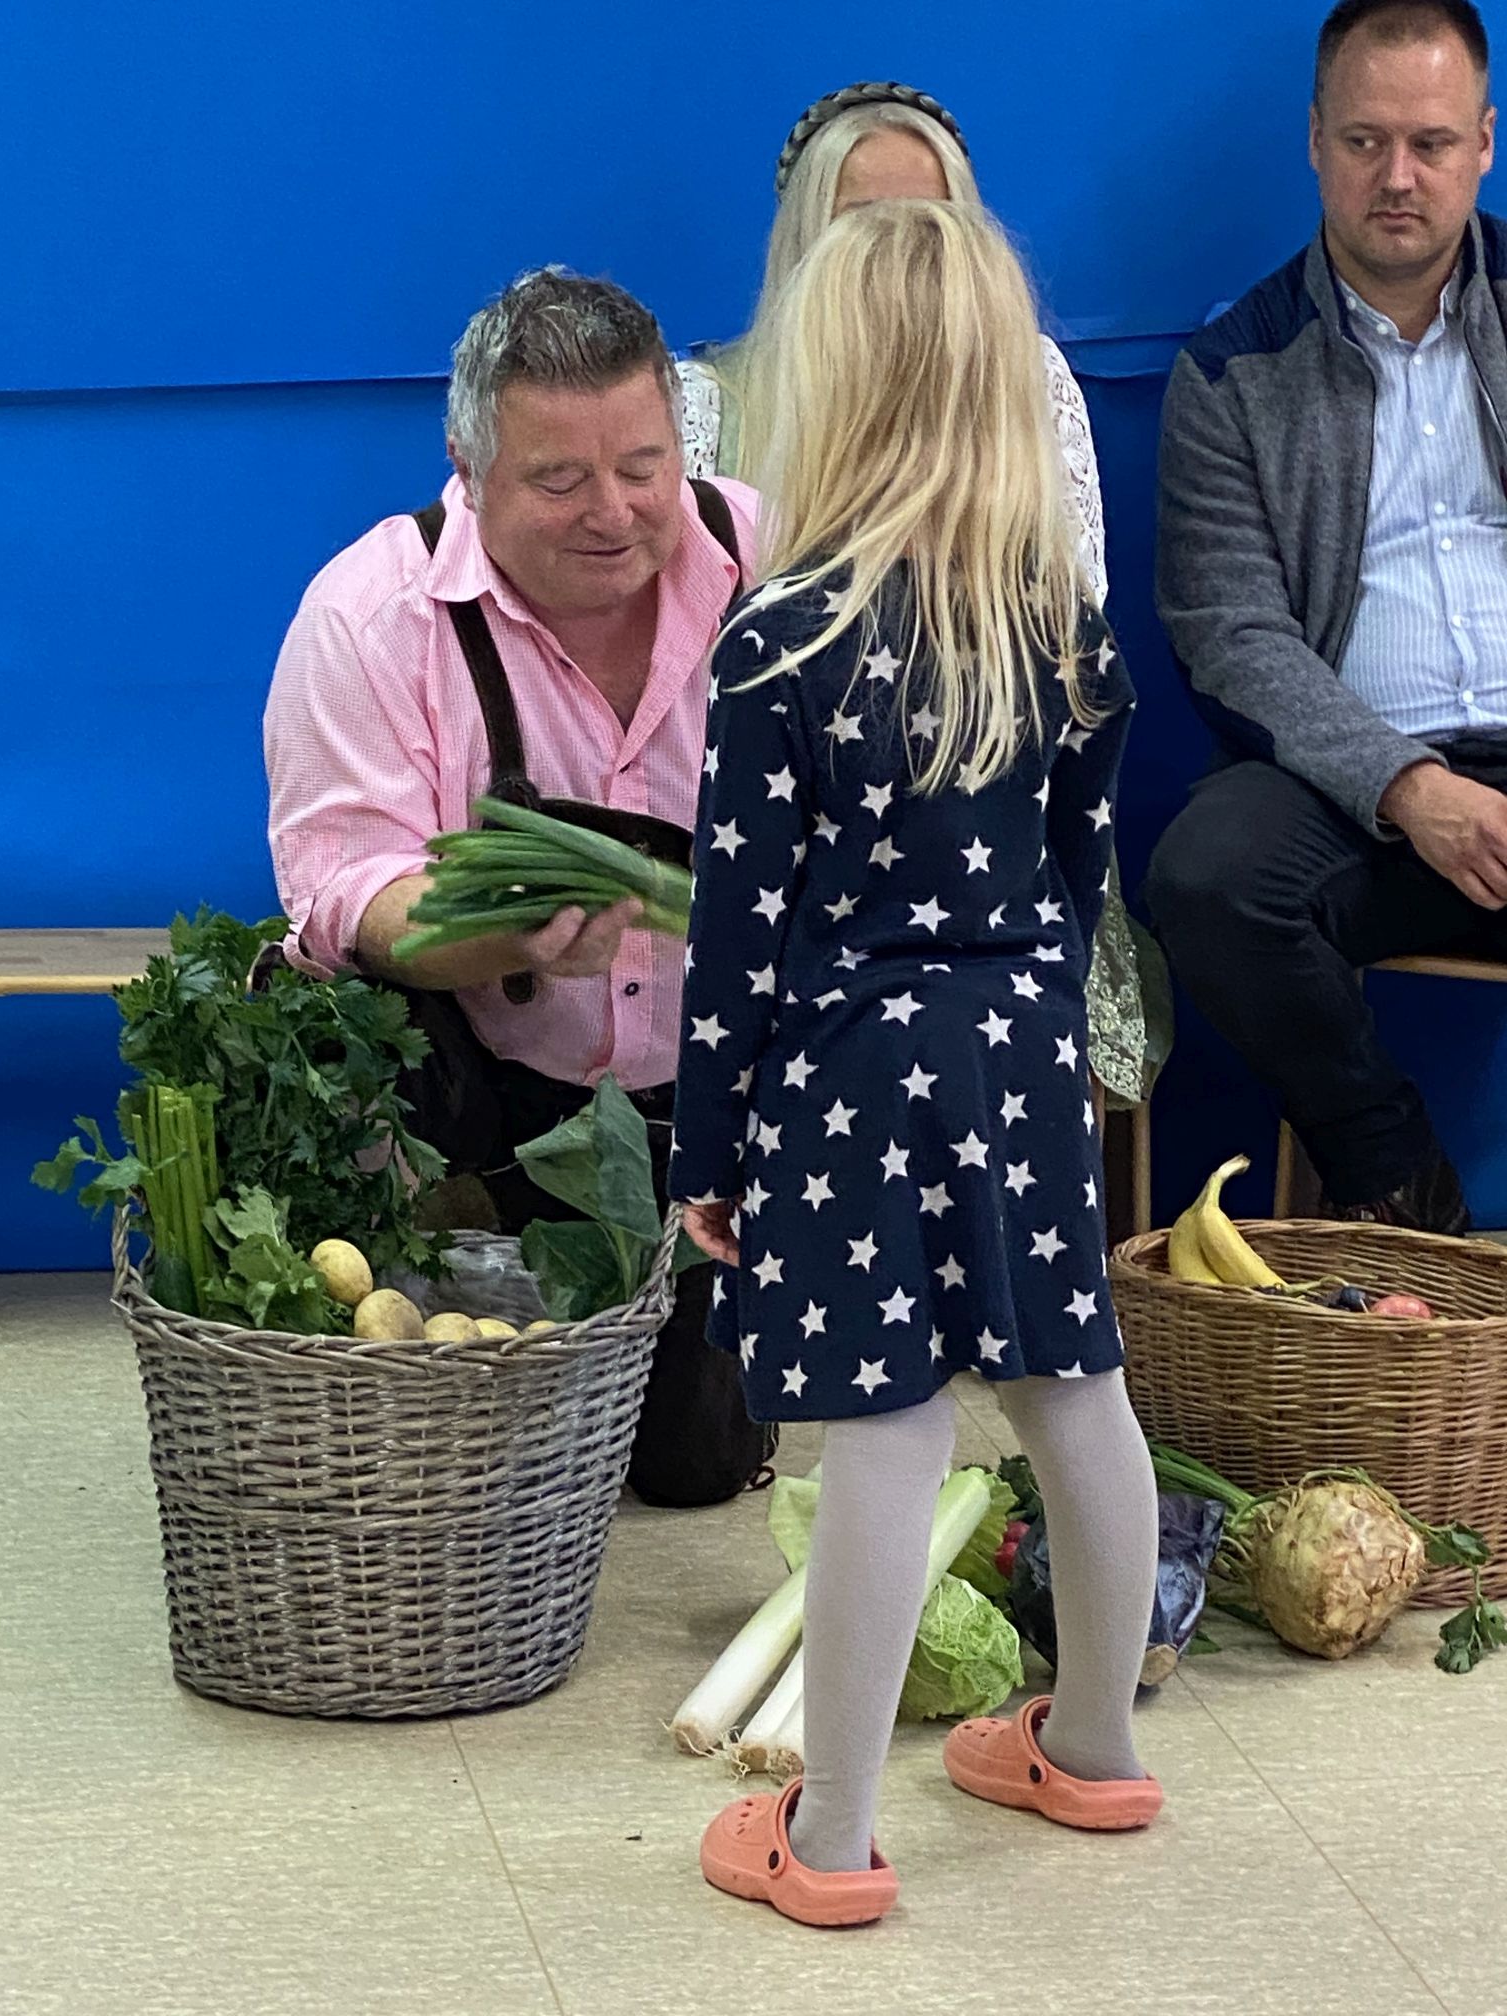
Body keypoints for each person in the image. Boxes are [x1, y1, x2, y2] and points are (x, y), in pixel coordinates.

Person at [669, 199, 1163, 1931]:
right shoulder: (1063, 628)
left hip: (846, 1075)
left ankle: (826, 1840)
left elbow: (734, 935)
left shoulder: (780, 640)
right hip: (1024, 1051)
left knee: (879, 1428)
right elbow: (1080, 878)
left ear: (831, 392)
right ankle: (1093, 1743)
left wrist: (707, 1155)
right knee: (1074, 1390)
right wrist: (1025, 1018)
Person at [264, 268, 772, 1507]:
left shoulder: (772, 566)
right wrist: (495, 932)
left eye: (644, 467)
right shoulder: (371, 616)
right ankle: (438, 1296)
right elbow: (345, 897)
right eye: (560, 480)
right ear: (468, 465)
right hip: (491, 1099)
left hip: (724, 1105)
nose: (614, 513)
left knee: (696, 1468)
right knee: (492, 1461)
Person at [679, 79, 1171, 1122]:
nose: (901, 257)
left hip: (985, 825)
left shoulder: (1032, 385)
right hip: (771, 825)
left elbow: (1068, 661)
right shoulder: (706, 404)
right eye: (864, 225)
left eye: (932, 223)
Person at [1150, 0, 1507, 1234]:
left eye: (1431, 142)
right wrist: (1408, 785)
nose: (1397, 177)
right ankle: (1402, 1191)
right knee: (1207, 877)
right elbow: (1231, 634)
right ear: (1314, 141)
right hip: (1354, 797)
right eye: (1365, 142)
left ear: (1484, 143)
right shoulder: (1230, 371)